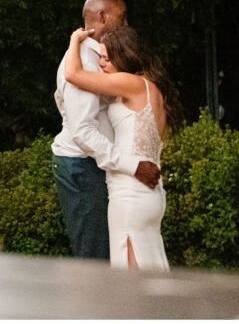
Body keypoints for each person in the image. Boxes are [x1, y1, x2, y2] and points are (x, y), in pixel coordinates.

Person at [64, 25, 183, 272]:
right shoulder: (153, 89)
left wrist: (75, 40)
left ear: (124, 56)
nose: (102, 64)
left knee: (132, 283)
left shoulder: (131, 83)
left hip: (130, 195)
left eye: (107, 58)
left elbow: (73, 74)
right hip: (150, 196)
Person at [51, 0, 161, 260]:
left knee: (111, 256)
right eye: (121, 17)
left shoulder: (102, 59)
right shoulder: (82, 60)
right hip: (82, 165)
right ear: (102, 16)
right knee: (94, 260)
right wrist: (133, 165)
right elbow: (82, 132)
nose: (125, 23)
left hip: (100, 165)